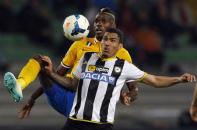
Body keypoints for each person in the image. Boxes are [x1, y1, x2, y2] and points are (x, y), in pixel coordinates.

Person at [42, 28, 196, 130]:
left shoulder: (124, 67)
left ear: (120, 46)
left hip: (101, 125)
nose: (107, 43)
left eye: (112, 40)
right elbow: (71, 84)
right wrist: (51, 73)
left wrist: (179, 79)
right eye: (105, 39)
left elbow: (154, 80)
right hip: (74, 123)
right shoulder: (87, 57)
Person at [4, 8, 137, 118]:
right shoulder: (79, 44)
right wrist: (32, 99)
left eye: (103, 21)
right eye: (96, 21)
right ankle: (19, 85)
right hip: (63, 94)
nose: (98, 24)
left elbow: (133, 89)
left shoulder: (122, 53)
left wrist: (128, 96)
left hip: (87, 104)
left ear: (113, 26)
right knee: (41, 60)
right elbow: (55, 74)